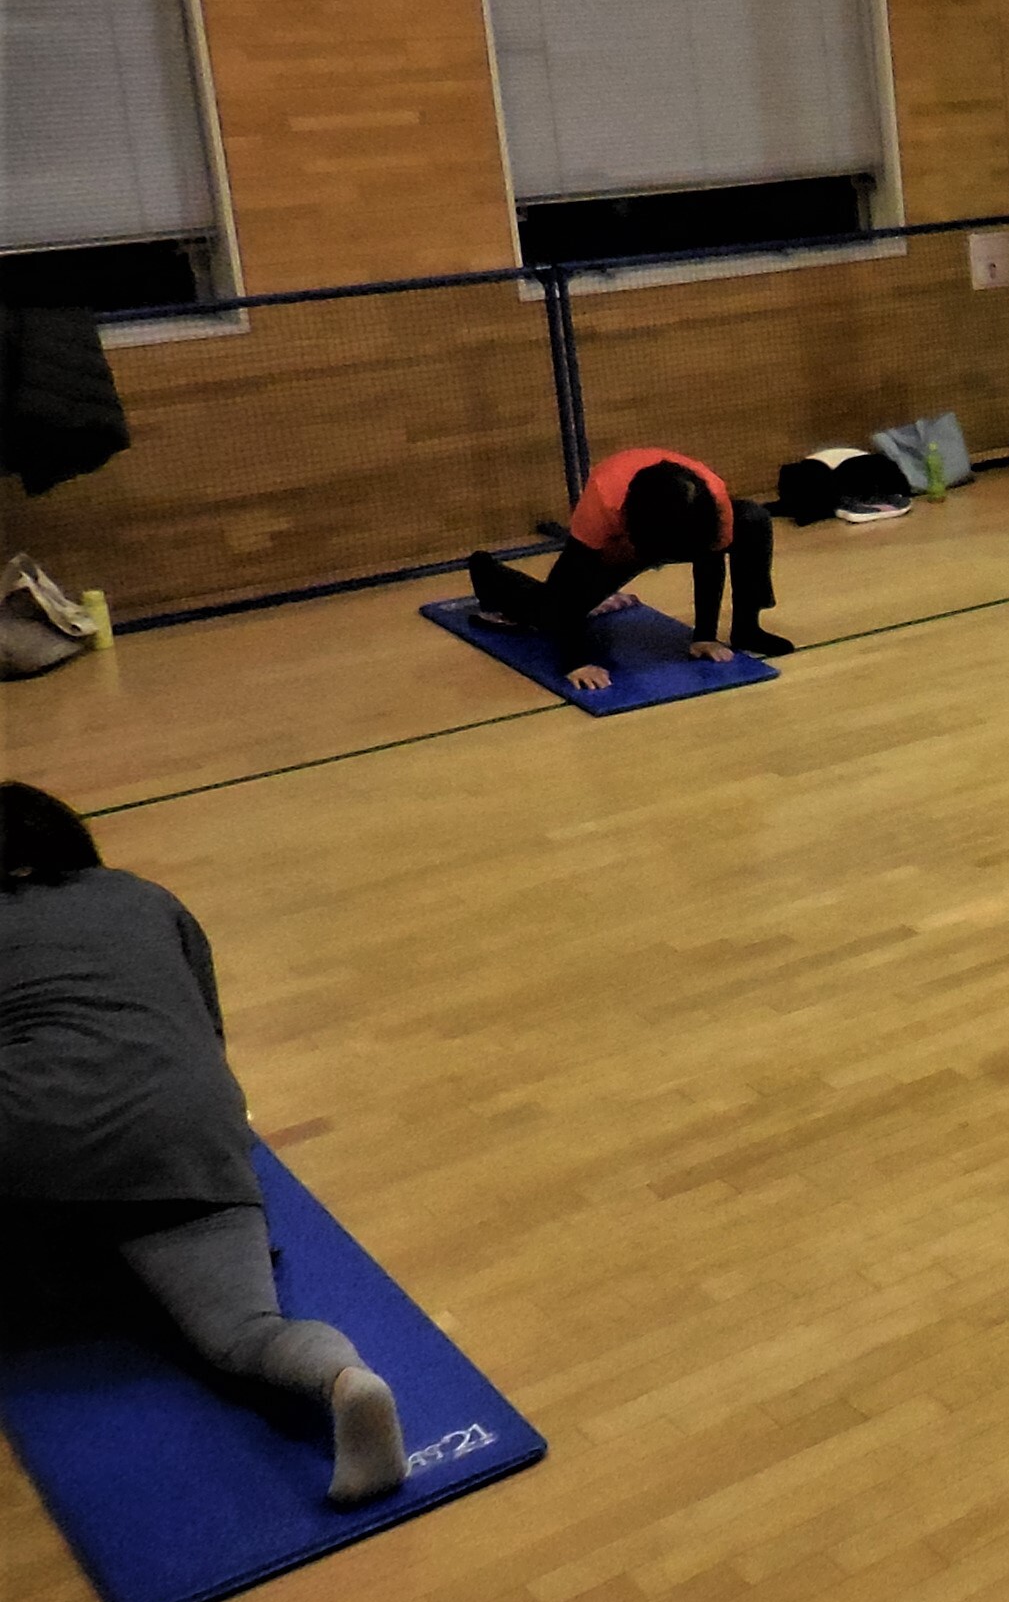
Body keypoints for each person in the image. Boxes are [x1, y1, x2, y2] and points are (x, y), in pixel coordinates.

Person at [1, 782, 407, 1504]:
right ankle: (344, 1378)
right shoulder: (146, 897)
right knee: (244, 1332)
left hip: (32, 1137)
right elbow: (206, 1031)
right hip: (187, 1131)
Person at [466, 446, 789, 695]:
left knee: (753, 519)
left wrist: (704, 636)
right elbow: (568, 585)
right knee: (551, 611)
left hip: (669, 524)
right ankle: (487, 572)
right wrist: (576, 662)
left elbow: (710, 560)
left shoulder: (710, 502)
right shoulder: (603, 503)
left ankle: (747, 627)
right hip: (622, 542)